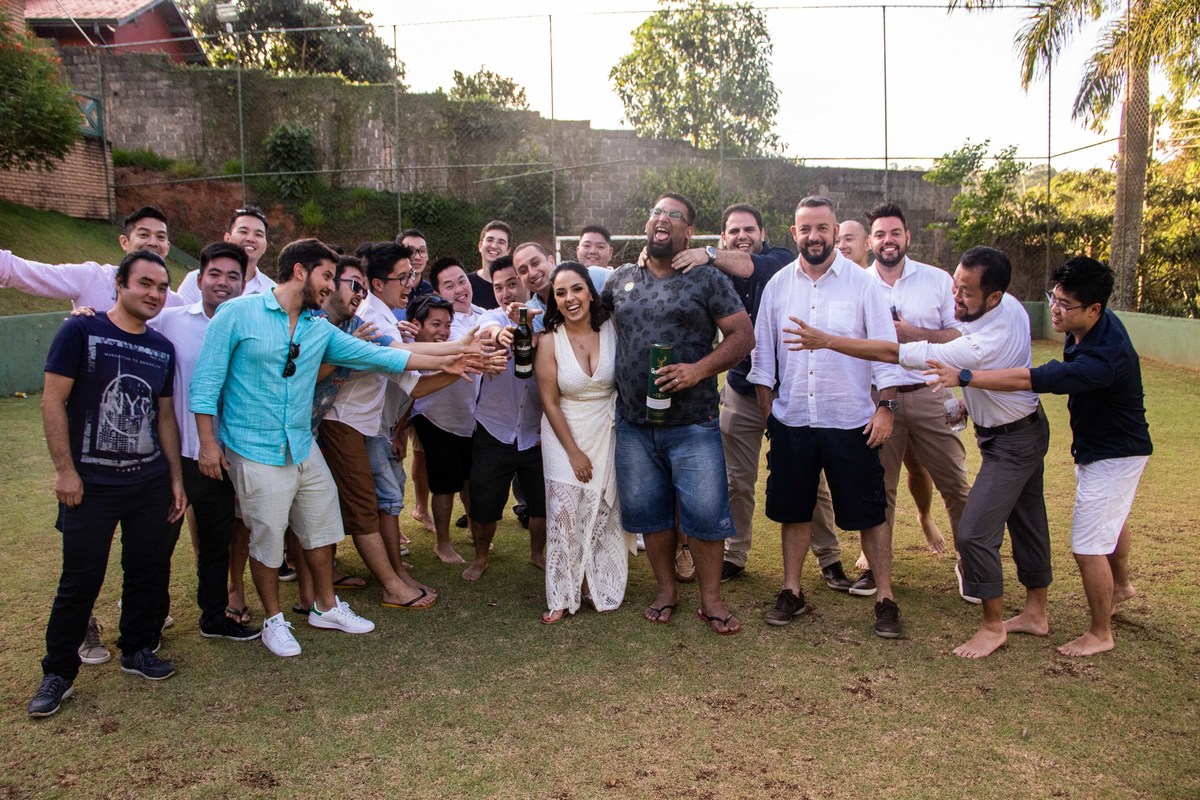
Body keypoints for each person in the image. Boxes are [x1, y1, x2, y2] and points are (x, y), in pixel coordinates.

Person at [189, 239, 475, 658]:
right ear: (300, 272)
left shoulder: (317, 327)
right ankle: (274, 620)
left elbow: (381, 355)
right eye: (326, 276)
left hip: (302, 444)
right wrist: (207, 444)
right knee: (267, 538)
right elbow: (206, 383)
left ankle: (325, 606)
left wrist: (451, 357)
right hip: (254, 448)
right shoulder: (238, 313)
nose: (330, 285)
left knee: (322, 527)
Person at [793, 245, 1052, 658]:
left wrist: (826, 341)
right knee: (1028, 523)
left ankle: (992, 626)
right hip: (1018, 428)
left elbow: (891, 352)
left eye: (966, 292)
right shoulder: (1011, 308)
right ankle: (1036, 613)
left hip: (1013, 442)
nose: (955, 297)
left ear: (993, 297)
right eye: (955, 285)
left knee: (973, 532)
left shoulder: (979, 344)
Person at [925, 256, 1152, 656]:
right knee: (1079, 522)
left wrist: (965, 377)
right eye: (1054, 298)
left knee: (1084, 545)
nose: (1055, 309)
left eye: (1065, 304)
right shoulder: (1089, 326)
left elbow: (1031, 379)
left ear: (1094, 309)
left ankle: (1099, 633)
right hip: (1091, 448)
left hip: (1114, 455)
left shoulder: (1104, 357)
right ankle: (1099, 592)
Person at [28, 250, 187, 718]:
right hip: (91, 483)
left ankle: (137, 648)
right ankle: (58, 672)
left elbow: (163, 417)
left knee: (147, 569)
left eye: (162, 287)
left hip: (149, 482)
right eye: (145, 284)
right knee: (80, 579)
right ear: (119, 283)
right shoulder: (80, 331)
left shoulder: (162, 348)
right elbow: (52, 402)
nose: (155, 294)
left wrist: (175, 478)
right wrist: (65, 470)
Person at [748, 196, 905, 638]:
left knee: (870, 513)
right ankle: (792, 591)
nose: (814, 236)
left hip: (851, 421)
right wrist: (771, 415)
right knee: (794, 510)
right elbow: (762, 359)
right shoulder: (778, 285)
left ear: (836, 232)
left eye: (822, 228)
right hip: (794, 420)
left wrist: (886, 407)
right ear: (793, 233)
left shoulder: (863, 285)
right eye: (806, 228)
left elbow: (886, 353)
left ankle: (885, 598)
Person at [671, 202, 851, 588]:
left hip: (792, 392)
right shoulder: (712, 275)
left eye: (749, 229)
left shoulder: (781, 262)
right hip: (741, 389)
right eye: (734, 231)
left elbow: (752, 267)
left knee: (812, 480)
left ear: (763, 234)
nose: (742, 236)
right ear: (724, 236)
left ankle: (829, 556)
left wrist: (709, 253)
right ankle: (735, 554)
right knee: (737, 480)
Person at [600, 193, 754, 635]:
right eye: (656, 212)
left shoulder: (706, 277)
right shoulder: (621, 278)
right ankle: (666, 590)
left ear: (688, 232)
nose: (662, 218)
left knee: (705, 514)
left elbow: (742, 336)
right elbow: (584, 322)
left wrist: (698, 370)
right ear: (648, 225)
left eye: (674, 215)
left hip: (693, 422)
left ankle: (711, 601)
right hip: (633, 423)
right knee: (651, 514)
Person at [856, 202, 972, 598]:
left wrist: (913, 334)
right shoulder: (858, 283)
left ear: (907, 237)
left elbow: (959, 336)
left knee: (955, 484)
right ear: (870, 243)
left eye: (895, 233)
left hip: (931, 393)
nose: (887, 240)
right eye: (880, 234)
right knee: (878, 488)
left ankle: (971, 563)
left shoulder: (937, 280)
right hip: (879, 400)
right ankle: (876, 567)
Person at [150, 242, 261, 642]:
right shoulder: (170, 321)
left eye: (233, 276)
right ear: (199, 280)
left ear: (243, 284)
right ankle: (147, 624)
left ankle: (214, 618)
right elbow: (126, 324)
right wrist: (87, 316)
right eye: (215, 274)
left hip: (223, 454)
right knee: (158, 543)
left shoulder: (252, 328)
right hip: (176, 453)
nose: (223, 282)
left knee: (217, 543)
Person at [537, 262, 629, 622]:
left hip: (605, 430)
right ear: (554, 300)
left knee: (603, 509)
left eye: (576, 289)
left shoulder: (613, 329)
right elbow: (549, 401)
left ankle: (594, 582)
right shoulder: (549, 341)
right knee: (565, 511)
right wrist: (573, 452)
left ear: (590, 292)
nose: (570, 298)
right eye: (560, 293)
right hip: (564, 431)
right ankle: (561, 594)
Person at [462, 256, 548, 581]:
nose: (505, 293)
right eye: (498, 287)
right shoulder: (491, 317)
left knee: (541, 502)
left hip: (537, 432)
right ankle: (481, 558)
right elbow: (491, 328)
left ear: (526, 282)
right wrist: (503, 335)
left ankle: (537, 554)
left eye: (512, 283)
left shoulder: (548, 319)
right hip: (494, 428)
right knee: (484, 503)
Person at [410, 256, 487, 564]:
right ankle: (442, 543)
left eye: (462, 281)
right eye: (449, 285)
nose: (459, 289)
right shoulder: (434, 327)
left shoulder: (481, 316)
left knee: (470, 477)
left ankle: (472, 527)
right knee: (445, 484)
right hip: (434, 415)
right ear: (439, 291)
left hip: (470, 417)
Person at [1, 206, 183, 312]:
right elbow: (28, 273)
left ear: (167, 247)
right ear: (124, 242)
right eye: (143, 234)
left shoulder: (176, 305)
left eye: (160, 237)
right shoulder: (93, 277)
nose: (152, 242)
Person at [178, 206, 275, 301]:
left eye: (258, 234)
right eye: (243, 232)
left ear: (265, 246)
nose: (250, 239)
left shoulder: (272, 293)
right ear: (227, 239)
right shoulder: (195, 280)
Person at [468, 220, 512, 310]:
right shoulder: (467, 284)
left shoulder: (519, 285)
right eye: (490, 240)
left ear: (508, 250)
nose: (494, 246)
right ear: (480, 245)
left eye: (501, 242)